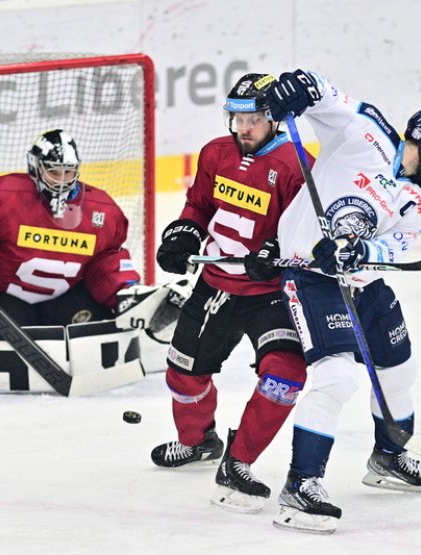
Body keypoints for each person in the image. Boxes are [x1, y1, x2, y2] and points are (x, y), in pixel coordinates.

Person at [251, 69, 421, 533]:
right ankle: (301, 485)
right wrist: (300, 87)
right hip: (311, 278)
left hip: (364, 283)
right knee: (335, 377)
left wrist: (358, 250)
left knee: (399, 372)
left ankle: (388, 458)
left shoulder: (419, 204)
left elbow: (394, 250)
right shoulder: (365, 132)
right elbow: (324, 95)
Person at [150, 73, 312, 513]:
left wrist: (277, 252)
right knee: (183, 374)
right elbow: (200, 205)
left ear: (275, 120)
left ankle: (238, 462)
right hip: (217, 283)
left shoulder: (299, 166)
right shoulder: (215, 152)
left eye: (254, 119)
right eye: (237, 119)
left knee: (286, 376)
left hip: (272, 293)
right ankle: (198, 440)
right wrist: (183, 233)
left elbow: (308, 233)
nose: (243, 129)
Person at [0, 129, 142, 327]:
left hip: (62, 304)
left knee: (101, 317)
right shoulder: (6, 195)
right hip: (4, 299)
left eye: (68, 172)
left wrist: (125, 293)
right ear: (36, 167)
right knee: (2, 318)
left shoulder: (102, 210)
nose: (62, 181)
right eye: (54, 172)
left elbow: (107, 261)